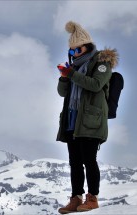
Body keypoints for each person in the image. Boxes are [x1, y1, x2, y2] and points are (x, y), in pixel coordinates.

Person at [56, 21, 118, 214]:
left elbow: (95, 85)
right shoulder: (74, 67)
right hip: (72, 120)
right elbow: (61, 93)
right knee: (74, 161)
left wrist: (72, 74)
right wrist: (64, 77)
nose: (75, 53)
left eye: (78, 49)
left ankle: (92, 198)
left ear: (87, 46)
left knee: (89, 159)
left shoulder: (101, 63)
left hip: (91, 121)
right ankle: (76, 198)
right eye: (72, 51)